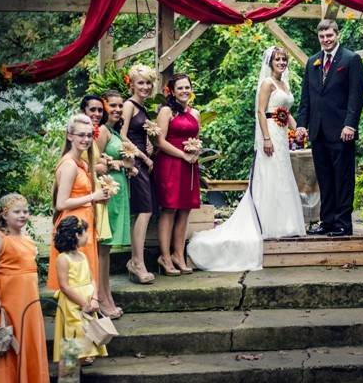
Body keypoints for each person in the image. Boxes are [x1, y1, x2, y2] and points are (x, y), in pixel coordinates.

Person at [188, 46, 306, 271]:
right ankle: (268, 224)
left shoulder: (285, 84)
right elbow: (261, 112)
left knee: (282, 175)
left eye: (284, 59)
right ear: (270, 63)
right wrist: (267, 138)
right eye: (277, 59)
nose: (281, 62)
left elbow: (285, 112)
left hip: (282, 134)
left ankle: (285, 223)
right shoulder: (267, 84)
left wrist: (297, 129)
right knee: (270, 175)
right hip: (270, 132)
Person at [296, 19, 363, 237]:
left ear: (337, 35)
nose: (326, 40)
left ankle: (343, 224)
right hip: (318, 131)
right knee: (324, 178)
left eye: (329, 36)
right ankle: (327, 221)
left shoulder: (351, 59)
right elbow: (306, 97)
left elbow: (356, 96)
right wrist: (301, 124)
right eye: (322, 36)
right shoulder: (312, 62)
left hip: (341, 131)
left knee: (342, 178)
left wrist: (350, 125)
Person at [0, 193, 50, 383]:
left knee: (30, 341)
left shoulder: (27, 238)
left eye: (26, 211)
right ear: (4, 214)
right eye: (16, 211)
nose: (22, 215)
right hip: (8, 303)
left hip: (30, 302)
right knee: (7, 345)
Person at [47, 114, 110, 290]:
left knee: (87, 282)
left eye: (89, 135)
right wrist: (92, 197)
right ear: (69, 136)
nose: (86, 139)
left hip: (84, 225)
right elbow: (61, 203)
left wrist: (100, 197)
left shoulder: (80, 163)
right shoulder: (69, 165)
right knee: (78, 284)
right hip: (72, 229)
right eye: (81, 135)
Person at [153, 74, 201, 275]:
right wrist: (182, 154)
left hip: (189, 166)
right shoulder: (166, 111)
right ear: (172, 91)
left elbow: (196, 138)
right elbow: (159, 141)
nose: (184, 91)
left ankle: (178, 255)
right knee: (170, 209)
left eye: (187, 87)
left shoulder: (195, 113)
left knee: (185, 210)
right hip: (170, 164)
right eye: (180, 88)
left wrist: (195, 152)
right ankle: (164, 257)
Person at [96, 90, 136, 318]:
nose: (118, 109)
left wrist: (128, 166)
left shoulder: (114, 130)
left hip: (119, 191)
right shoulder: (101, 131)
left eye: (121, 105)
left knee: (107, 250)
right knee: (103, 249)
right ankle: (101, 297)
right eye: (113, 105)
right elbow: (94, 160)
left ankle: (107, 294)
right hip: (107, 192)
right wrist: (119, 164)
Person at [52, 215, 108, 365]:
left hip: (89, 302)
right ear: (77, 235)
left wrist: (95, 298)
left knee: (86, 329)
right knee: (73, 331)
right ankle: (70, 369)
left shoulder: (82, 256)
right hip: (73, 303)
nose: (88, 235)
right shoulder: (63, 259)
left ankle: (85, 356)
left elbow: (92, 279)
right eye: (86, 232)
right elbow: (64, 286)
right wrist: (83, 303)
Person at [121, 64, 157, 284]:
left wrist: (149, 146)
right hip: (135, 162)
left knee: (145, 211)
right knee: (143, 212)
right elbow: (121, 135)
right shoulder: (129, 105)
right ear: (132, 84)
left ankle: (136, 261)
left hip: (143, 162)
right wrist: (142, 157)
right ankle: (137, 262)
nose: (145, 87)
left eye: (148, 83)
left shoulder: (142, 108)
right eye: (141, 82)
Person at [80, 95, 112, 245]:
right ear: (83, 111)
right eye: (92, 109)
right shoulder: (79, 135)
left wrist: (105, 161)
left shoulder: (93, 133)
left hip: (95, 188)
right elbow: (74, 162)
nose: (97, 114)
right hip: (83, 189)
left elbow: (92, 158)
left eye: (100, 110)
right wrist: (97, 167)